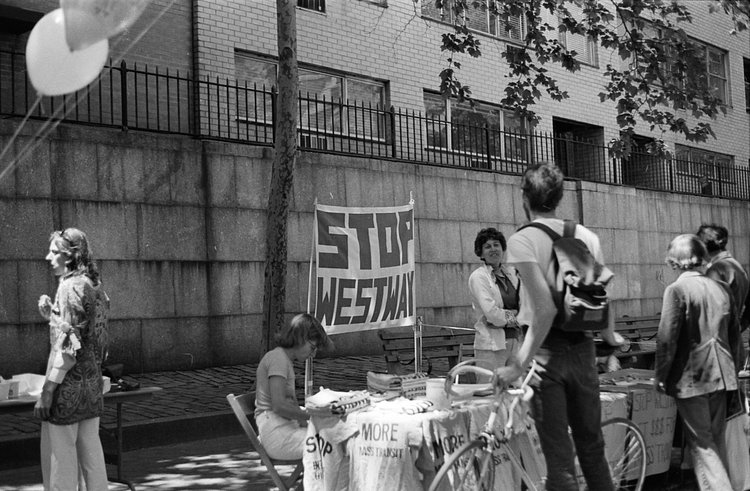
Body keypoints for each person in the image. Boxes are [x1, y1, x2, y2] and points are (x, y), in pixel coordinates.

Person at [493, 163, 624, 491]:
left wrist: (517, 363)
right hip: (584, 350)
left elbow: (545, 309)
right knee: (592, 448)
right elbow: (602, 294)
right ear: (560, 196)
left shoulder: (523, 240)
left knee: (559, 460)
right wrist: (610, 337)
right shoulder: (586, 236)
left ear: (524, 196)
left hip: (548, 357)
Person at [654, 234, 741, 491]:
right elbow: (735, 336)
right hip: (722, 375)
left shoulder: (677, 290)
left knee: (703, 445)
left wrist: (660, 376)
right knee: (715, 442)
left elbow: (666, 339)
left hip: (692, 378)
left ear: (674, 261)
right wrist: (734, 371)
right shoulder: (721, 288)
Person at [35, 228, 110, 490]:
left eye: (55, 252)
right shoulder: (94, 286)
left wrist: (48, 389)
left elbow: (69, 345)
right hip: (91, 386)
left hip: (67, 388)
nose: (48, 257)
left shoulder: (68, 286)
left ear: (70, 256)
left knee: (61, 463)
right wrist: (52, 315)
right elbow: (88, 335)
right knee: (92, 458)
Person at [255, 313, 333, 460]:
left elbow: (290, 403)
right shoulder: (278, 359)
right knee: (334, 443)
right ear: (301, 339)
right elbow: (279, 406)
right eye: (312, 347)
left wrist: (307, 421)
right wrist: (312, 416)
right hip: (278, 434)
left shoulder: (283, 360)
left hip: (283, 428)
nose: (313, 354)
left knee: (334, 437)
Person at [467, 227, 522, 382]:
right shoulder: (479, 277)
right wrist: (518, 318)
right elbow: (492, 314)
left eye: (496, 244)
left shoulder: (512, 273)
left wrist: (510, 318)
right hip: (491, 346)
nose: (493, 249)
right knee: (490, 393)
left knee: (517, 392)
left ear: (502, 248)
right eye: (487, 246)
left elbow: (527, 305)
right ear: (481, 252)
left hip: (516, 344)